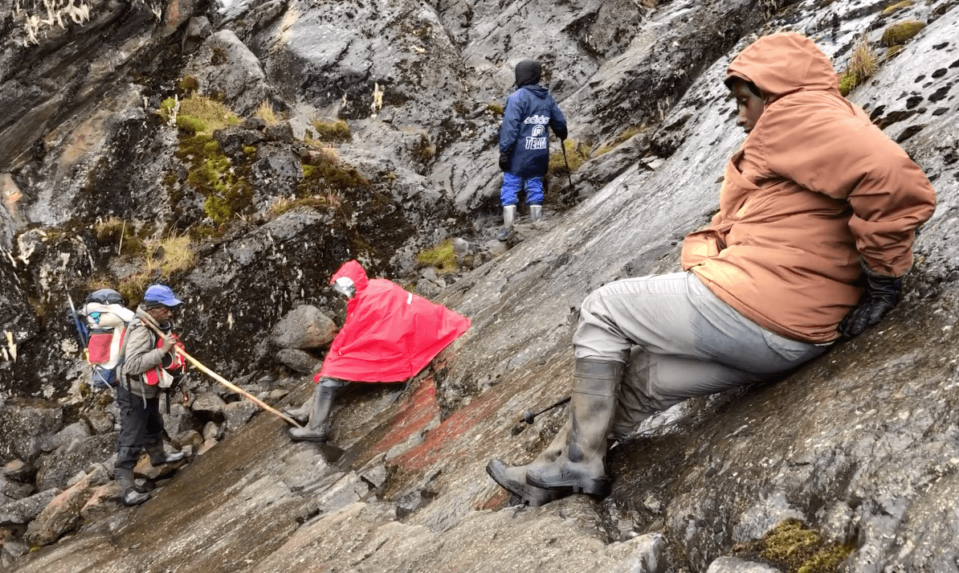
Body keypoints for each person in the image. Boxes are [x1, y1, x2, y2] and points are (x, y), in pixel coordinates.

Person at [487, 32, 937, 506]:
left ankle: (576, 462)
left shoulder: (801, 114)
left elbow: (895, 177)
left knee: (604, 308)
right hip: (795, 337)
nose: (740, 116)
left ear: (776, 90)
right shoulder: (809, 127)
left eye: (746, 100)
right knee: (645, 377)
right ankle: (555, 471)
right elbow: (744, 223)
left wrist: (885, 279)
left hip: (764, 309)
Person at [284, 260, 470, 442]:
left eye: (344, 287)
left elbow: (356, 335)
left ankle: (316, 427)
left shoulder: (368, 302)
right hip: (408, 332)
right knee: (335, 365)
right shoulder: (373, 287)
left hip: (399, 344)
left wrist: (337, 357)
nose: (343, 294)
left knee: (335, 370)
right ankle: (308, 410)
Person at [115, 284, 188, 506]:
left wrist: (182, 383)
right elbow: (133, 365)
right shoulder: (141, 329)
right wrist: (162, 350)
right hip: (134, 392)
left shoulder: (160, 325)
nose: (170, 312)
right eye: (166, 308)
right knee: (132, 438)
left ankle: (158, 457)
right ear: (154, 308)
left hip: (150, 390)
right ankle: (126, 488)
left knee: (154, 424)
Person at [497, 59, 568, 240]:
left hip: (518, 155)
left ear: (521, 75)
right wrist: (561, 131)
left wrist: (504, 152)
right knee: (535, 185)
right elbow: (559, 122)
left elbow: (510, 128)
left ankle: (508, 229)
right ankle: (536, 224)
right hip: (539, 153)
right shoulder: (546, 97)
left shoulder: (517, 98)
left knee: (511, 187)